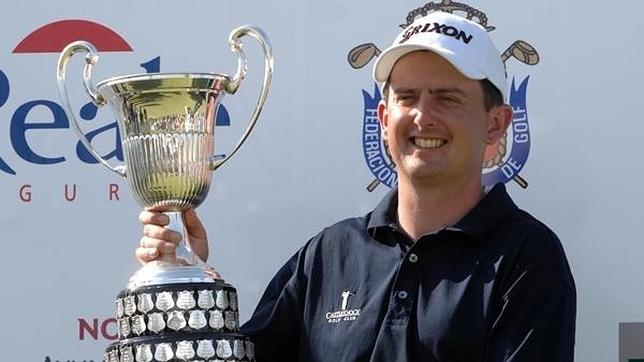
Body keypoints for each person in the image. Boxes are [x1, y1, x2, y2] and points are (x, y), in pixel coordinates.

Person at [137, 11, 576, 361]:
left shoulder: (528, 258)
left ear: (496, 124)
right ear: (384, 120)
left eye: (447, 97)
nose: (423, 116)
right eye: (406, 97)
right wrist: (188, 281)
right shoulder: (328, 254)